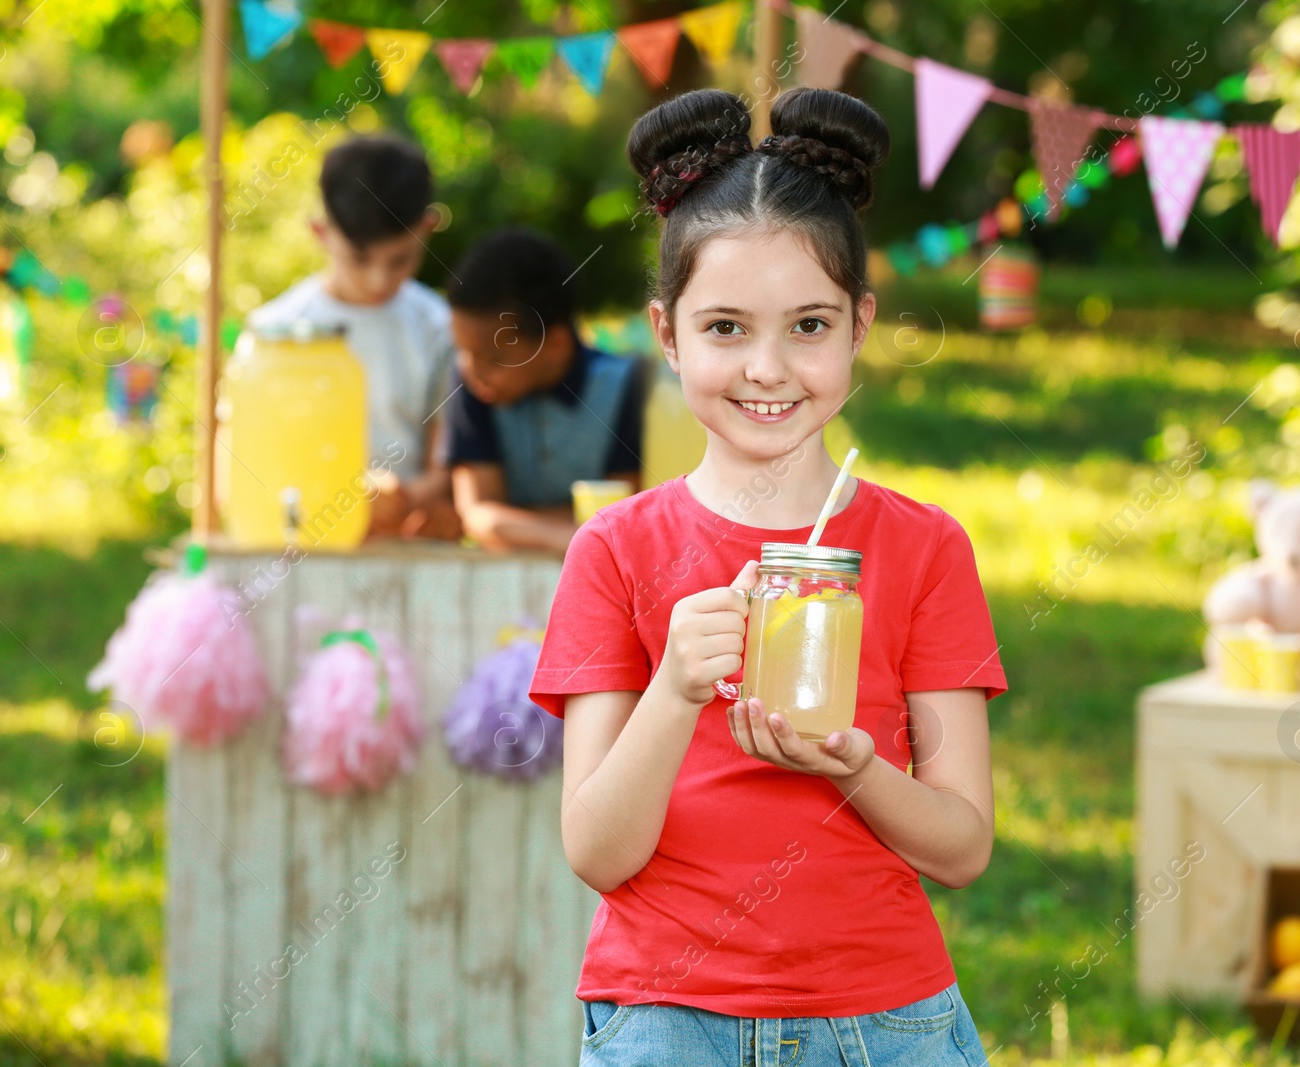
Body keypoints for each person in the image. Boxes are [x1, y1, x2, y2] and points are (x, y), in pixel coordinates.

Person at [527, 87, 1007, 1065]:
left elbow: (960, 846)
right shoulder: (614, 552)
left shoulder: (924, 548)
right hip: (664, 1021)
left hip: (885, 1024)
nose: (769, 367)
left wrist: (857, 765)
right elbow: (597, 851)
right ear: (666, 335)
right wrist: (675, 686)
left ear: (859, 324)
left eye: (809, 325)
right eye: (726, 328)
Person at [247, 133, 460, 540]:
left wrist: (404, 498)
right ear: (320, 232)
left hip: (404, 546)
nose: (378, 280)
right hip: (295, 546)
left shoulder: (440, 328)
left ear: (428, 229)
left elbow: (448, 465)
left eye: (400, 259)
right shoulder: (276, 331)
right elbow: (245, 467)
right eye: (359, 259)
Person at [443, 228, 650, 554]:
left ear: (554, 344)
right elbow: (478, 513)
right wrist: (575, 536)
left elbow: (626, 512)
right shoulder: (474, 382)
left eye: (494, 359)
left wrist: (512, 524)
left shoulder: (627, 387)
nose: (472, 370)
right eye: (463, 351)